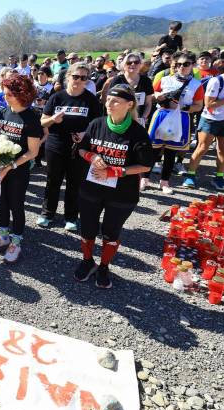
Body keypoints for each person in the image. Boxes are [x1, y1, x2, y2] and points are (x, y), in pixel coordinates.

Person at [74, 84, 154, 288]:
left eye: (116, 101)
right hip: (91, 188)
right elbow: (82, 150)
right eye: (108, 99)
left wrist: (116, 171)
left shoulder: (137, 132)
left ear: (129, 105)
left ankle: (103, 266)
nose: (109, 103)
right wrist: (92, 157)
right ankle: (87, 260)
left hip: (121, 193)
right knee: (88, 228)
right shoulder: (96, 123)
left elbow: (145, 165)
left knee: (111, 232)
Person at [0, 75, 42, 262]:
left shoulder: (31, 118)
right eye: (4, 93)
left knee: (16, 205)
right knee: (2, 203)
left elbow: (33, 152)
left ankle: (15, 242)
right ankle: (2, 237)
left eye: (9, 94)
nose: (5, 97)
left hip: (18, 170)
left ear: (21, 94)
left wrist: (10, 166)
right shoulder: (2, 112)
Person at [39, 63, 103, 231]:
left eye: (83, 78)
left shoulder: (91, 100)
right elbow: (42, 121)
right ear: (68, 77)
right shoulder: (56, 97)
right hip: (55, 145)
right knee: (53, 181)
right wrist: (53, 119)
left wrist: (85, 134)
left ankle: (71, 217)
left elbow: (97, 125)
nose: (79, 80)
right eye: (76, 76)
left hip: (79, 148)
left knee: (74, 184)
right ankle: (47, 213)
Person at [183, 54, 224, 191]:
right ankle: (190, 175)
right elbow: (209, 104)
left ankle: (219, 178)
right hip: (210, 119)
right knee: (202, 148)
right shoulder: (217, 81)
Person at [147, 52, 204, 193]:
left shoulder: (197, 84)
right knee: (153, 150)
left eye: (186, 64)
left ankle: (164, 182)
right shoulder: (165, 79)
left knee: (171, 152)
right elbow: (151, 95)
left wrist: (182, 107)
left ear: (192, 65)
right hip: (162, 115)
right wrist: (157, 96)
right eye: (179, 64)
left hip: (181, 117)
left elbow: (199, 106)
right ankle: (144, 178)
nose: (182, 67)